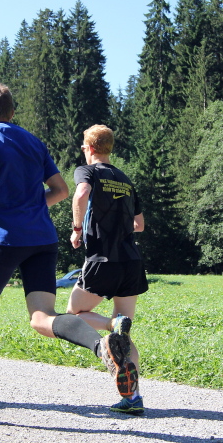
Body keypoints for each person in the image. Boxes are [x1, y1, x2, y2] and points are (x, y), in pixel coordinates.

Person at [0, 84, 138, 423]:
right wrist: (31, 207)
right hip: (42, 239)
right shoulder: (33, 142)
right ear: (12, 113)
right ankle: (101, 346)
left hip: (2, 239)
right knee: (41, 317)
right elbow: (60, 190)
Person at [66, 124, 148, 415]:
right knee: (125, 335)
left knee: (72, 315)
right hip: (131, 261)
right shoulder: (125, 179)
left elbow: (81, 194)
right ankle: (133, 398)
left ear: (89, 148)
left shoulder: (87, 171)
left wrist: (77, 229)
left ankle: (112, 325)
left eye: (83, 146)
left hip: (102, 260)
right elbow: (139, 224)